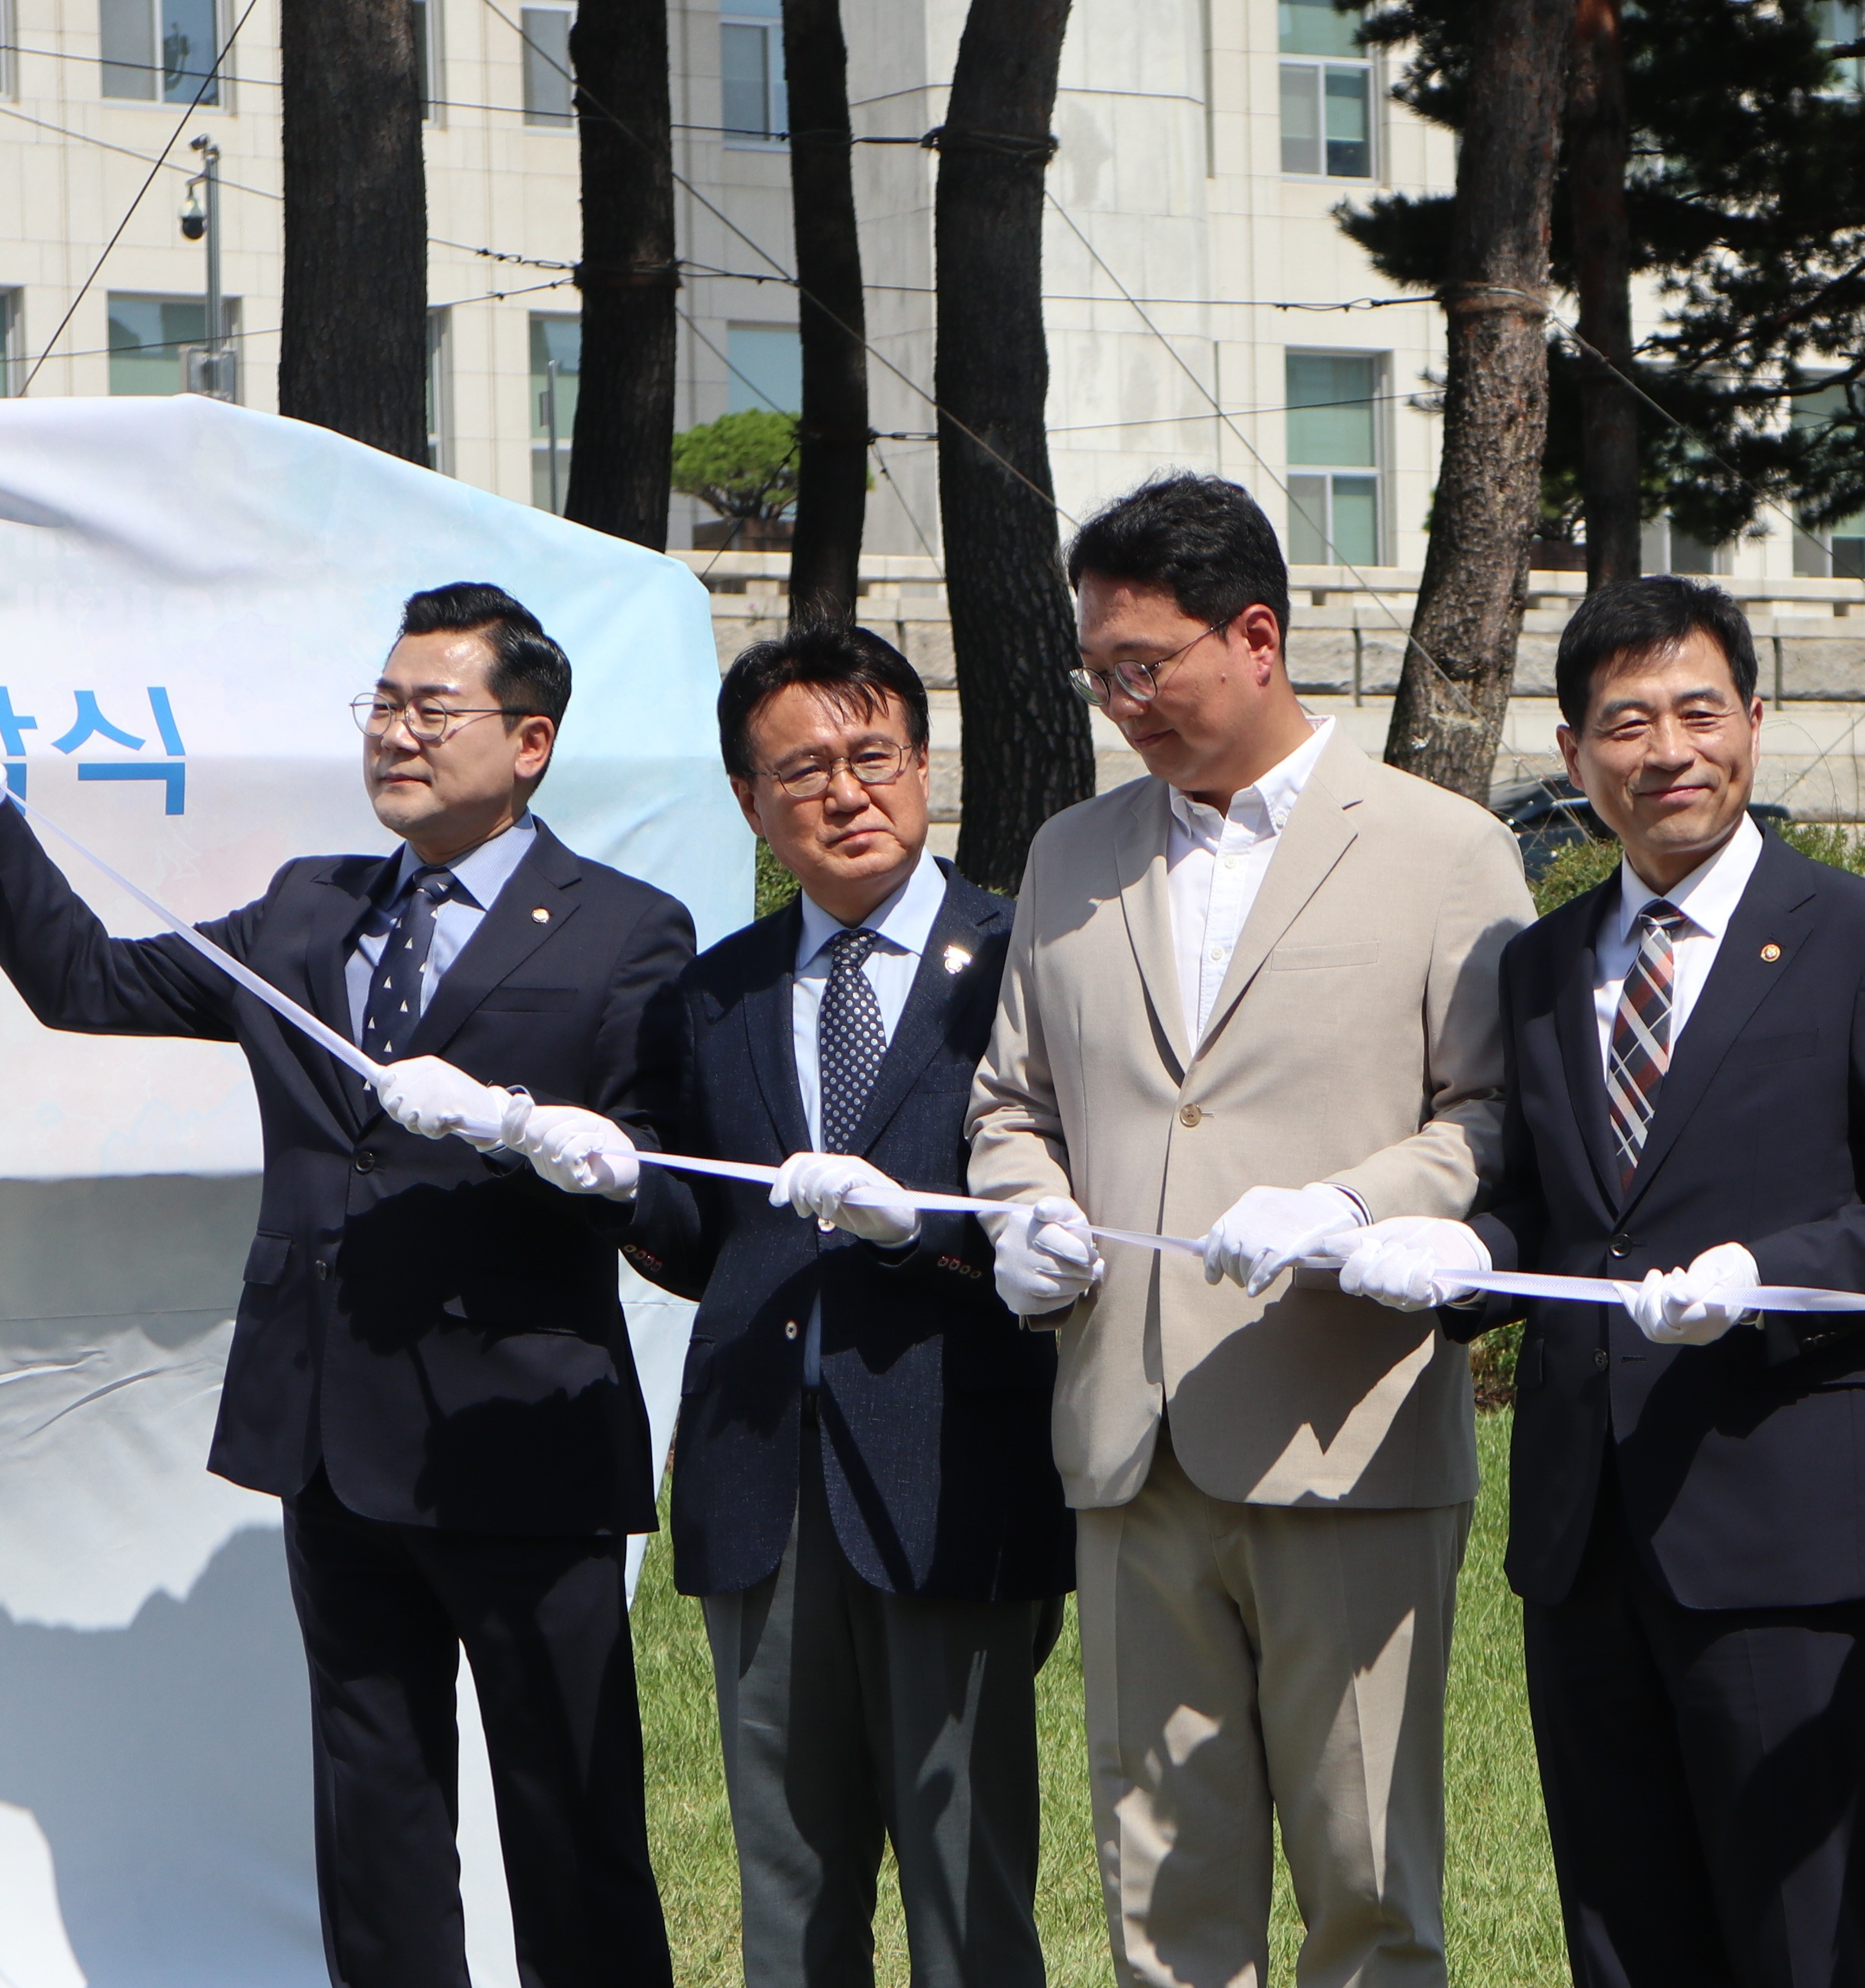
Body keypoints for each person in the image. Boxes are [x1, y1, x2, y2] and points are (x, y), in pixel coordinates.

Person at [0, 583, 688, 1986]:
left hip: (522, 1446)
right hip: (331, 1437)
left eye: (433, 709)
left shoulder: (625, 930)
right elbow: (82, 980)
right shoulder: (312, 911)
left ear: (532, 739)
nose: (396, 735)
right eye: (381, 705)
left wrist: (560, 1146)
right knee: (373, 1818)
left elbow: (673, 1190)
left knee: (570, 1819)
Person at [1330, 576, 1865, 1988]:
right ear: (1574, 756)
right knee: (1619, 1930)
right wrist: (1462, 1259)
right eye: (1626, 722)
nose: (1667, 750)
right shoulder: (1548, 960)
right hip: (1584, 1529)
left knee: (1787, 1930)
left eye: (1698, 711)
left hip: (1778, 1521)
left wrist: (1773, 1275)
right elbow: (1555, 1220)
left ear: (1754, 721)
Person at [965, 474, 1531, 1988]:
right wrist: (1026, 1219)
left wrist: (1351, 1206)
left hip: (1339, 1430)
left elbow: (1490, 1117)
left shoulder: (1442, 848)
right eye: (1097, 673)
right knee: (1159, 1886)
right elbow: (1011, 1105)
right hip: (1127, 1441)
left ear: (1257, 635)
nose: (1117, 700)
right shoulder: (1073, 855)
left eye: (1141, 666)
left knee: (1364, 1883)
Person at [510, 627, 1072, 1988]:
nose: (844, 793)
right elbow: (709, 1240)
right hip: (761, 1475)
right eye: (801, 769)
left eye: (871, 757)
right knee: (790, 1879)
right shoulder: (720, 989)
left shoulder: (1028, 961)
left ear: (924, 764)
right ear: (751, 802)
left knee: (963, 1873)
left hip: (956, 1466)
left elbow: (1070, 1214)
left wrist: (916, 1232)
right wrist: (613, 1185)